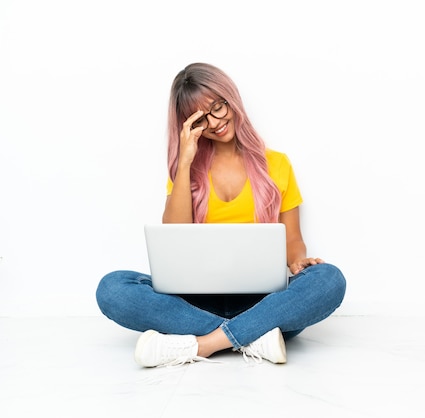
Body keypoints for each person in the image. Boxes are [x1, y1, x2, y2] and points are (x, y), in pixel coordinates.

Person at [95, 63, 346, 368]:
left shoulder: (277, 164)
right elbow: (174, 237)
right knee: (112, 288)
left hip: (262, 300)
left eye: (218, 107)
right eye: (202, 118)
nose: (215, 122)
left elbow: (293, 239)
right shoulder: (184, 172)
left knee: (329, 279)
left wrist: (298, 261)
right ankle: (253, 336)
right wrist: (185, 162)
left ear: (231, 99)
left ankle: (204, 344)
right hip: (195, 301)